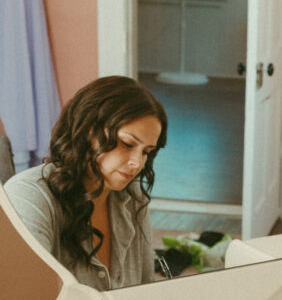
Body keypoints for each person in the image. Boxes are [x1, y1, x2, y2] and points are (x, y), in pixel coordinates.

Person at [4, 75, 167, 289]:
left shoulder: (132, 197)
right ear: (88, 130)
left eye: (147, 152)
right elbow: (28, 299)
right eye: (127, 144)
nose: (137, 164)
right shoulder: (29, 195)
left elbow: (147, 291)